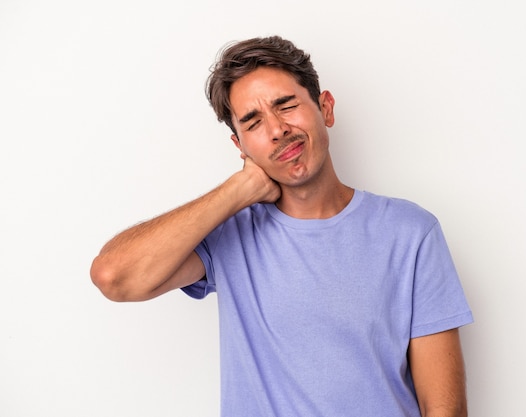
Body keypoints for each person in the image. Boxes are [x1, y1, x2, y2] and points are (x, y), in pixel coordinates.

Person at [91, 35, 473, 417]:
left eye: (286, 105)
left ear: (325, 108)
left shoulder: (410, 233)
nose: (276, 129)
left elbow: (444, 408)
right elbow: (114, 276)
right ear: (240, 147)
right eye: (253, 123)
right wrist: (237, 190)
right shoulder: (230, 236)